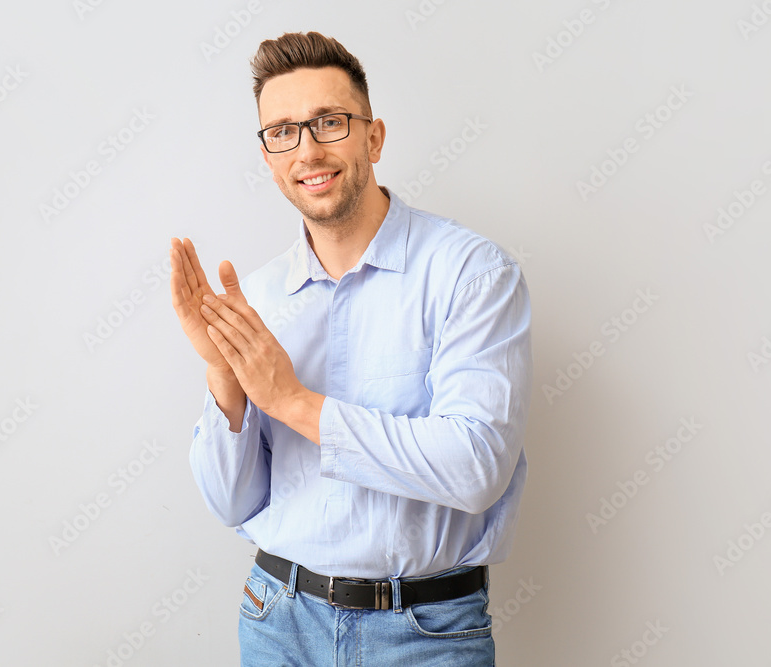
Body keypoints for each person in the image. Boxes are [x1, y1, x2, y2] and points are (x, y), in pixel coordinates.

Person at [170, 30, 532, 666]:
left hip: (424, 633)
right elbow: (230, 504)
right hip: (277, 622)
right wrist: (223, 375)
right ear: (268, 156)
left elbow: (477, 466)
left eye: (329, 122)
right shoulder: (255, 301)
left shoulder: (471, 274)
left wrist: (292, 401)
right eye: (282, 131)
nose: (307, 149)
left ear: (374, 137)